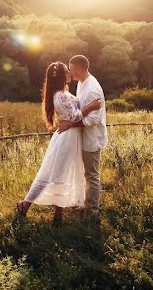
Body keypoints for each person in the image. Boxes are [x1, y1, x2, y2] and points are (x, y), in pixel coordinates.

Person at [17, 61, 102, 224]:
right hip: (67, 138)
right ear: (62, 76)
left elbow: (71, 116)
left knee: (60, 175)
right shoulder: (61, 95)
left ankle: (57, 214)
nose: (70, 73)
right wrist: (92, 106)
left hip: (69, 137)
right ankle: (25, 204)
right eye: (66, 71)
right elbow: (76, 116)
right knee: (53, 174)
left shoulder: (61, 93)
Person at [58, 54, 107, 219]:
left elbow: (92, 120)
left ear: (78, 69)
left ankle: (92, 212)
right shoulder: (81, 83)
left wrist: (70, 124)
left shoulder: (92, 89)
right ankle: (86, 204)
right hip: (83, 137)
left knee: (92, 175)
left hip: (92, 138)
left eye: (71, 69)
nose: (70, 72)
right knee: (86, 173)